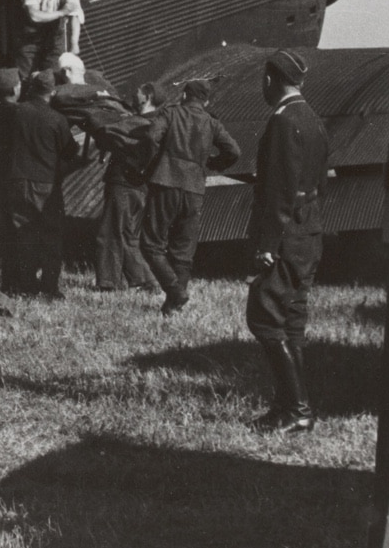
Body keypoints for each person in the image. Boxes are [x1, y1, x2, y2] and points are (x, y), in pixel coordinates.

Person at [246, 49, 329, 434]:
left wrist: (267, 243)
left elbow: (278, 188)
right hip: (308, 228)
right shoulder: (313, 119)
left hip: (285, 231)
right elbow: (320, 182)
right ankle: (287, 408)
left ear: (269, 80)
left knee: (265, 316)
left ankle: (297, 409)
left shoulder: (282, 121)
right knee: (291, 320)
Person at [140, 78, 241, 315]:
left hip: (166, 180)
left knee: (151, 243)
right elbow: (234, 151)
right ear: (206, 101)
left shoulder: (170, 114)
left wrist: (152, 162)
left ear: (184, 96)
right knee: (184, 249)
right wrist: (214, 164)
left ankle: (174, 291)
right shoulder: (212, 123)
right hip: (195, 186)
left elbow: (150, 136)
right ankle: (174, 307)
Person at [0, 70, 78, 298]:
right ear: (52, 91)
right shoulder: (57, 119)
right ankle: (50, 287)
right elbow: (70, 151)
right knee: (51, 235)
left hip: (18, 181)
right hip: (45, 184)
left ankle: (25, 285)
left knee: (23, 234)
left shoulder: (16, 113)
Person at [92, 81, 161, 294]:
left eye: (136, 93)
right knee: (128, 235)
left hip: (123, 182)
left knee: (110, 232)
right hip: (141, 187)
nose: (133, 96)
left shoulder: (136, 123)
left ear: (146, 97)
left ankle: (108, 283)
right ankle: (146, 281)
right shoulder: (160, 122)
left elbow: (104, 129)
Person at [14, 0, 84, 79]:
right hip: (30, 37)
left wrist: (74, 43)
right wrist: (62, 12)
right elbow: (35, 16)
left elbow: (75, 16)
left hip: (54, 38)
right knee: (25, 75)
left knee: (53, 75)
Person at [0, 68, 24, 295]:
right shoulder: (20, 113)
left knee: (9, 230)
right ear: (16, 88)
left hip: (3, 174)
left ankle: (9, 281)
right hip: (18, 173)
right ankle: (21, 280)